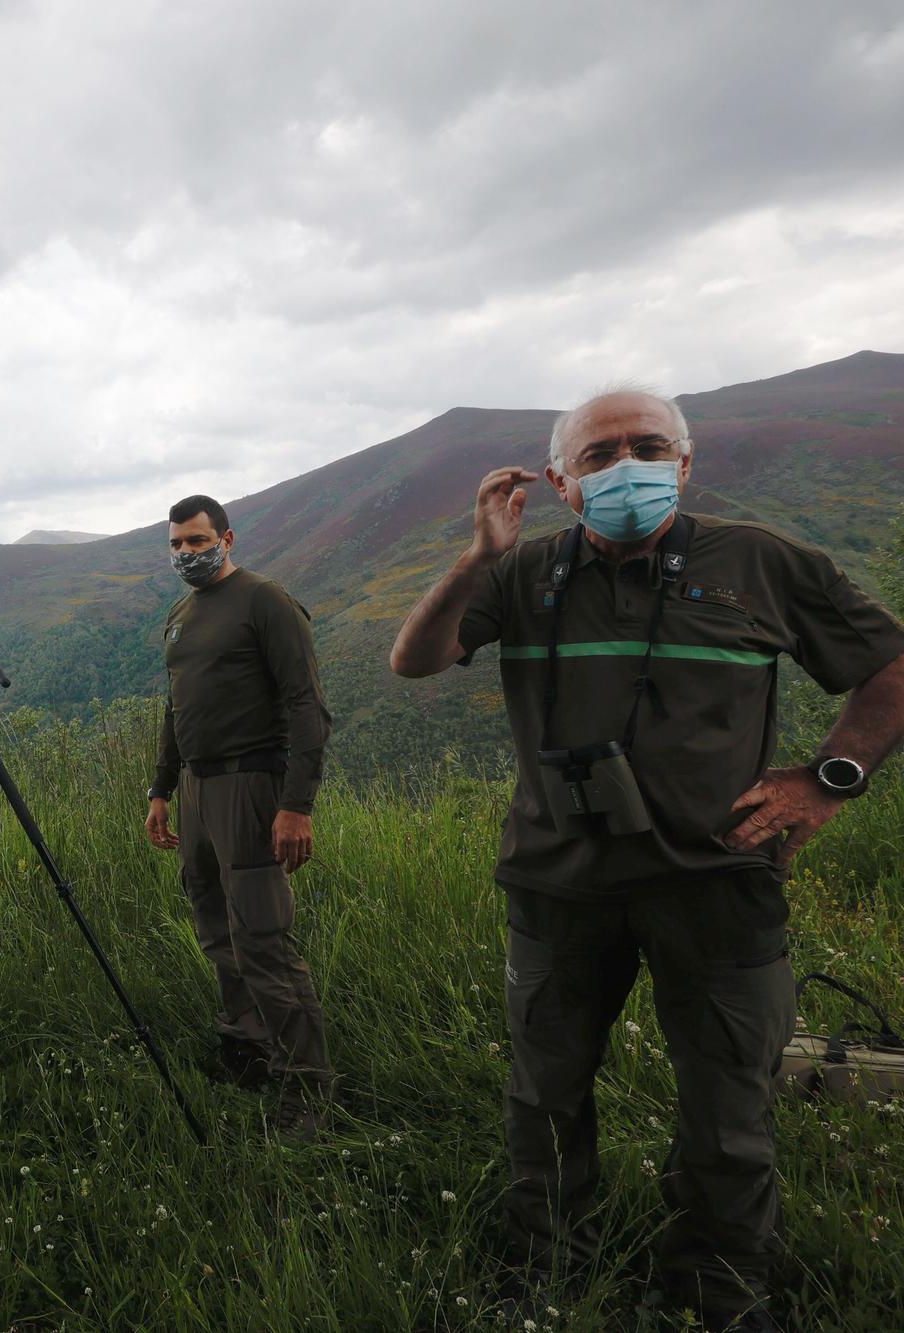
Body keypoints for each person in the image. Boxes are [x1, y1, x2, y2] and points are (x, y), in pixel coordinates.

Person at [389, 387, 904, 1331]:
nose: (627, 465)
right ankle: (546, 1274)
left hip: (719, 882)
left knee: (727, 1105)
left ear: (686, 460)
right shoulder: (523, 573)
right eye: (599, 456)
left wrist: (830, 778)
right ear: (559, 482)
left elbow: (891, 665)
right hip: (557, 884)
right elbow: (414, 661)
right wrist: (477, 558)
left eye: (649, 446)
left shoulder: (760, 561)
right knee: (543, 1096)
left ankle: (720, 1287)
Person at [145, 494, 337, 1138]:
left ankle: (306, 1088)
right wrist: (161, 789)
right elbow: (176, 709)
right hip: (197, 789)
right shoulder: (181, 613)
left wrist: (295, 805)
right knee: (215, 926)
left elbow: (307, 707)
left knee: (261, 938)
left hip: (252, 784)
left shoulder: (265, 602)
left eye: (197, 542)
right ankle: (247, 1047)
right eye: (176, 545)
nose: (187, 554)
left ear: (227, 538)